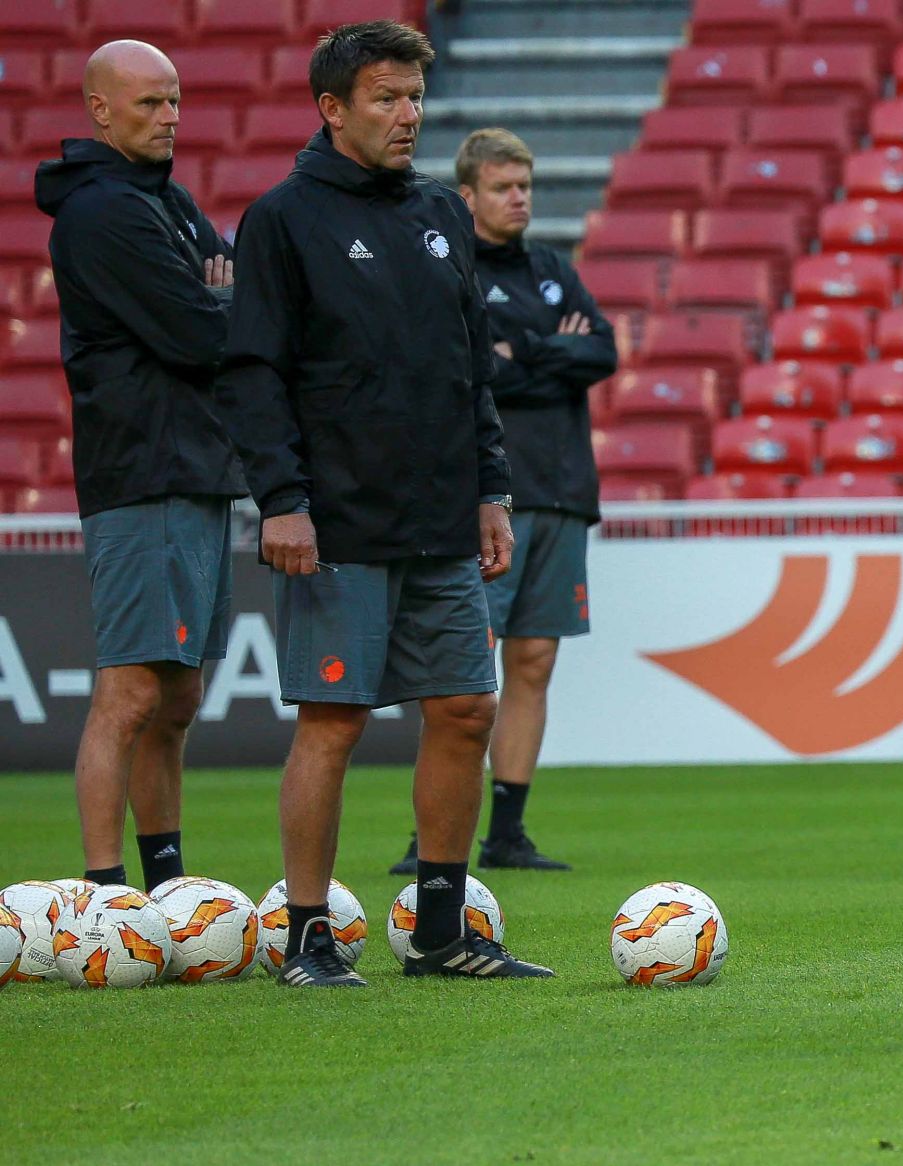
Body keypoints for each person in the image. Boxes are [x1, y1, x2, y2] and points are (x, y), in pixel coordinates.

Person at [217, 20, 553, 986]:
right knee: (334, 722)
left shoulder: (441, 213)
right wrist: (282, 501)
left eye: (414, 96)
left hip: (443, 518)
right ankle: (308, 936)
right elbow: (252, 376)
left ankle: (442, 931)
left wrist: (491, 488)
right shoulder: (284, 220)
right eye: (386, 98)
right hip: (337, 526)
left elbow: (468, 375)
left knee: (463, 709)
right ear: (332, 109)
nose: (408, 115)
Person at [36, 40, 241, 894]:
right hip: (143, 470)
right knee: (128, 693)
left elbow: (231, 297)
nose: (169, 117)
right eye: (150, 103)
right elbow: (204, 331)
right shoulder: (104, 214)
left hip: (195, 467)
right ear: (100, 110)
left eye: (176, 101)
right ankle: (103, 893)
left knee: (180, 697)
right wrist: (221, 298)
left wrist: (222, 297)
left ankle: (166, 886)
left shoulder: (168, 200)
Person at [388, 128, 616, 877]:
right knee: (464, 663)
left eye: (524, 184)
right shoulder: (449, 267)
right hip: (488, 495)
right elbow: (474, 367)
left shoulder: (554, 270)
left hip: (562, 489)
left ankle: (508, 832)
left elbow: (603, 352)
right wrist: (550, 352)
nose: (518, 197)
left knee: (535, 658)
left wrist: (529, 354)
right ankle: (432, 835)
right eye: (503, 186)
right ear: (469, 195)